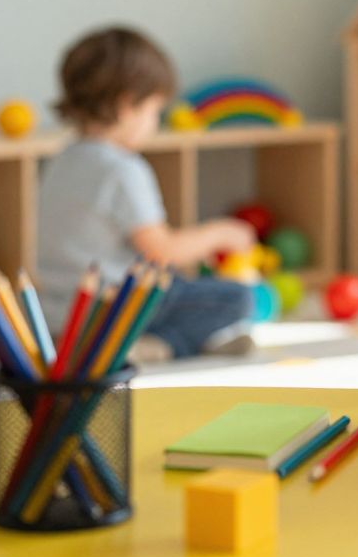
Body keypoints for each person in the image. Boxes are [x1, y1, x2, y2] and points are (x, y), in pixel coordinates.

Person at [38, 26, 258, 364]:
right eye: (154, 111)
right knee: (237, 298)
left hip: (58, 313)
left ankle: (172, 340)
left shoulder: (63, 159)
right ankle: (161, 345)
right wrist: (221, 233)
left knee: (179, 288)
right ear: (127, 105)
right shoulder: (123, 169)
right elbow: (163, 251)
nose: (155, 122)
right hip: (112, 311)